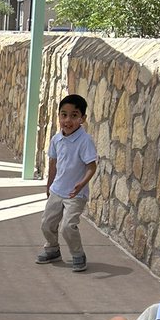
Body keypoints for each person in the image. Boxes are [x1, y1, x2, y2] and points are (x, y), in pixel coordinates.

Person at [35, 93, 98, 273]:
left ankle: (78, 254)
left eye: (74, 115)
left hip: (75, 194)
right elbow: (53, 163)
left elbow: (91, 167)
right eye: (64, 115)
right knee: (47, 223)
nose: (68, 120)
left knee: (68, 226)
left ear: (82, 118)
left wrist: (82, 184)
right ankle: (52, 249)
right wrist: (49, 185)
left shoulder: (85, 141)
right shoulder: (56, 139)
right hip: (57, 190)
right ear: (59, 116)